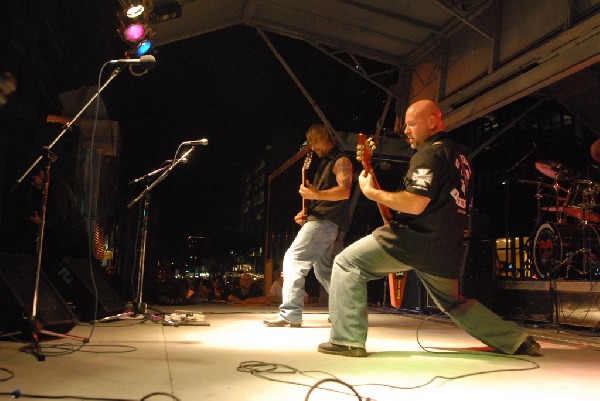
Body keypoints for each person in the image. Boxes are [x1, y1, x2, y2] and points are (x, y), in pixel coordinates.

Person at [318, 99, 541, 357]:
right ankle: (516, 340)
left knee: (347, 263)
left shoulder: (430, 153)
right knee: (453, 303)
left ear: (433, 121)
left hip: (414, 240)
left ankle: (348, 340)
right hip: (447, 246)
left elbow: (414, 204)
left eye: (412, 124)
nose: (407, 131)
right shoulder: (461, 159)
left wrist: (372, 193)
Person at [264, 124, 353, 327]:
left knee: (294, 259)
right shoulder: (324, 164)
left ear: (326, 137)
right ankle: (346, 311)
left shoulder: (341, 161)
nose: (313, 147)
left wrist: (316, 195)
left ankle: (291, 313)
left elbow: (344, 191)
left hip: (324, 223)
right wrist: (308, 211)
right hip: (323, 221)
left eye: (315, 141)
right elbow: (326, 198)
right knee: (324, 272)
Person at [27, 168, 89, 265]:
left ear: (42, 173)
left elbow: (60, 217)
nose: (32, 184)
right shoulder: (46, 190)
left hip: (72, 239)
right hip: (66, 239)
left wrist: (41, 222)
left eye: (33, 179)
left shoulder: (57, 189)